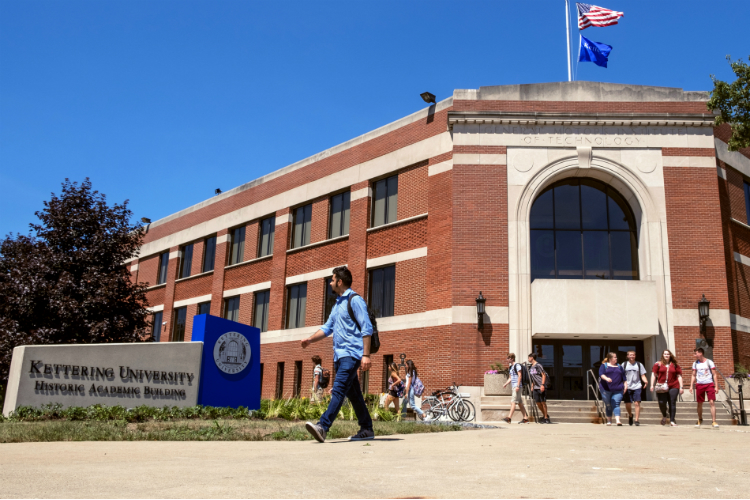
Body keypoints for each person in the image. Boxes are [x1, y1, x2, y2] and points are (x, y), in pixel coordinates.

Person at [301, 266, 374, 443]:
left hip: (351, 355)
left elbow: (367, 328)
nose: (330, 282)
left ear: (340, 282)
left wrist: (366, 355)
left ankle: (323, 426)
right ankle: (367, 428)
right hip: (339, 357)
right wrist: (310, 340)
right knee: (354, 394)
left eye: (332, 280)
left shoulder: (355, 300)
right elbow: (327, 328)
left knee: (339, 389)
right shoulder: (337, 304)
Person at [650, 349, 684, 427]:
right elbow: (653, 375)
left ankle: (672, 420)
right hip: (661, 386)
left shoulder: (675, 365)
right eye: (665, 354)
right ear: (663, 355)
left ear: (670, 355)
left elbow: (679, 376)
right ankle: (665, 415)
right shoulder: (658, 364)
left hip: (674, 386)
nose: (666, 355)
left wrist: (681, 387)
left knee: (672, 402)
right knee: (662, 402)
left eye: (668, 354)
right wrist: (652, 385)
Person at [689, 347, 720, 429]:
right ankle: (700, 419)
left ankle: (714, 421)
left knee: (711, 402)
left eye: (696, 353)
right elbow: (693, 375)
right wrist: (691, 386)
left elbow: (714, 374)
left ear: (701, 353)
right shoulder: (695, 363)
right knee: (699, 403)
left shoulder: (709, 362)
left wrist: (716, 386)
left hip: (709, 383)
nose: (694, 355)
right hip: (699, 384)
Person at [599, 352, 628, 426]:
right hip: (605, 389)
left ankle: (618, 421)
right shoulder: (604, 366)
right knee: (608, 405)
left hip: (618, 389)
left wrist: (625, 385)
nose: (616, 358)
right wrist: (606, 378)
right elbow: (601, 374)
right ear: (610, 358)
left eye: (616, 357)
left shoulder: (619, 366)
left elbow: (624, 378)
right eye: (615, 357)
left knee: (616, 404)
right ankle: (609, 420)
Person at [621, 351, 648, 426]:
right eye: (630, 355)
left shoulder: (639, 364)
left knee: (637, 403)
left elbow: (642, 375)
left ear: (635, 356)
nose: (632, 356)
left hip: (637, 386)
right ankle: (630, 415)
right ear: (627, 356)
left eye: (633, 355)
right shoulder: (624, 364)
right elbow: (621, 375)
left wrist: (646, 382)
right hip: (627, 386)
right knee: (628, 403)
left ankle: (636, 420)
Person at [502, 353, 529, 424]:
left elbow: (520, 376)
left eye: (508, 358)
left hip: (517, 387)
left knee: (513, 402)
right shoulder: (511, 367)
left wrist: (517, 386)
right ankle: (525, 419)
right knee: (520, 403)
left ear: (512, 359)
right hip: (514, 386)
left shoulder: (517, 365)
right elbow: (510, 378)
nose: (507, 360)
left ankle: (509, 418)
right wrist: (505, 384)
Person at [528, 353, 550, 424]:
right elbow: (533, 378)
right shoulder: (531, 367)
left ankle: (546, 418)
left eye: (529, 358)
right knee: (538, 403)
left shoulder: (538, 365)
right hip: (535, 387)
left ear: (532, 358)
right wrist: (532, 385)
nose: (528, 359)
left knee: (543, 402)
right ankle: (545, 415)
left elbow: (543, 375)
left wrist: (542, 385)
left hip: (541, 386)